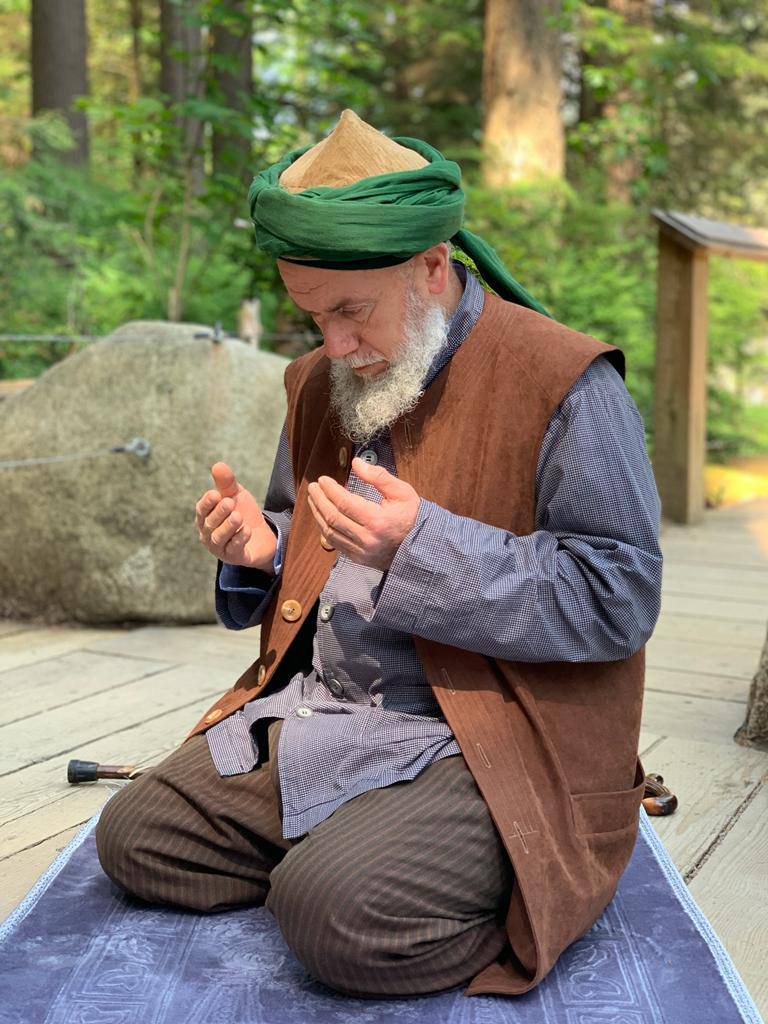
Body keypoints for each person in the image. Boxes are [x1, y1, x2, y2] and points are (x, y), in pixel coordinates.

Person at [95, 109, 662, 999]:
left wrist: (423, 548)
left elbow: (619, 593)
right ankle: (357, 854)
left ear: (432, 266)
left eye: (351, 311)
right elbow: (307, 534)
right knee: (136, 837)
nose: (334, 346)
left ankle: (453, 870)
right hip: (327, 715)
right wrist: (265, 547)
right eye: (312, 315)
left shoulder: (564, 381)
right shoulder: (318, 381)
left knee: (332, 915)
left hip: (480, 737)